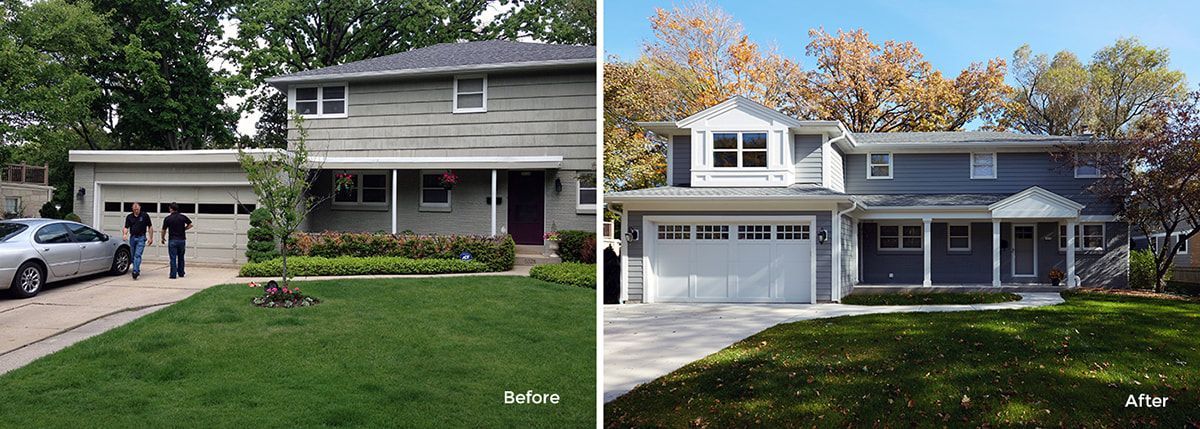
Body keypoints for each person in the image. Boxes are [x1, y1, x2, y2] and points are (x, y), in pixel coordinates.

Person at [160, 202, 193, 279]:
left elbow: (164, 229)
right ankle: (181, 273)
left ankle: (173, 274)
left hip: (172, 240)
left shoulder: (168, 218)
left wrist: (162, 238)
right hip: (181, 240)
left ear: (171, 209)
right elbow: (190, 224)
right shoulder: (182, 217)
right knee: (181, 257)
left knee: (173, 258)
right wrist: (184, 229)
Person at [122, 202, 153, 280]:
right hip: (132, 238)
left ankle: (135, 271)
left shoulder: (145, 215)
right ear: (132, 209)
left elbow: (150, 227)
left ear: (140, 208)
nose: (136, 210)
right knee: (132, 256)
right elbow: (126, 227)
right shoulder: (129, 217)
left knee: (137, 255)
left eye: (137, 209)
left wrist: (151, 238)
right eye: (134, 209)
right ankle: (136, 268)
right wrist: (125, 234)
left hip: (141, 238)